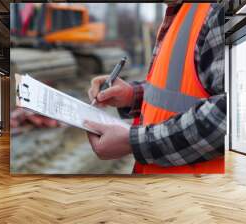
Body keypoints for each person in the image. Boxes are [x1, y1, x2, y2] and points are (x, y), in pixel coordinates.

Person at [84, 3, 226, 174]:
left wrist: (135, 142)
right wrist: (131, 95)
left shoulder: (216, 13)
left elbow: (229, 117)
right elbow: (180, 91)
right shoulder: (181, 13)